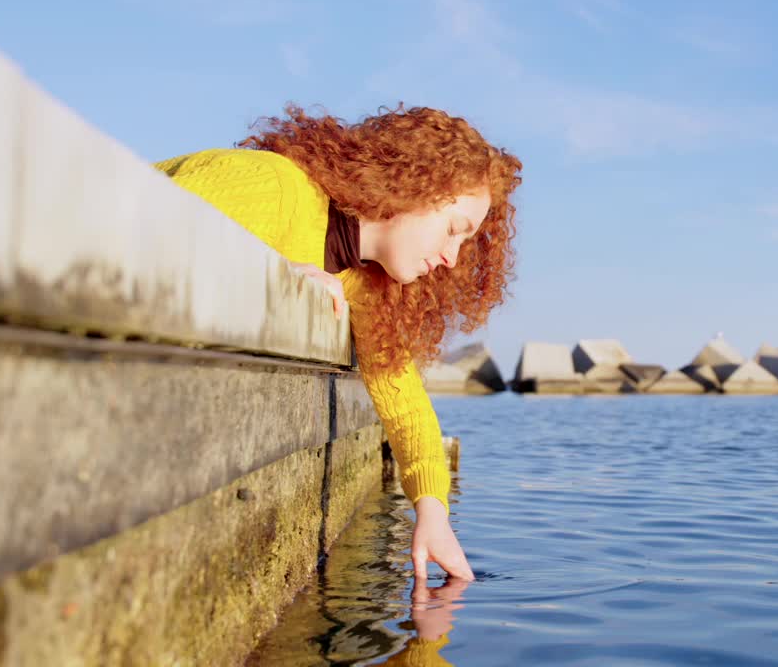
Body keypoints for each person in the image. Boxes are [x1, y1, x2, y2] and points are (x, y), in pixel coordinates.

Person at [156, 104, 522, 583]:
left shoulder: (363, 288)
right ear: (410, 186)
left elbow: (408, 409)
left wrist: (432, 515)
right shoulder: (275, 186)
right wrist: (273, 273)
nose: (454, 259)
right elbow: (150, 232)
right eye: (455, 231)